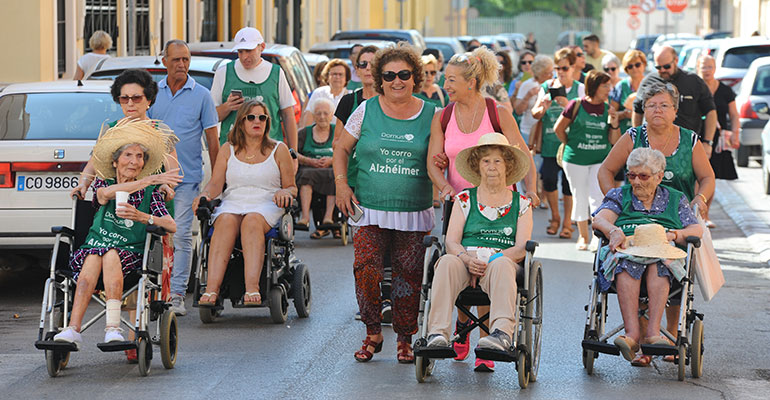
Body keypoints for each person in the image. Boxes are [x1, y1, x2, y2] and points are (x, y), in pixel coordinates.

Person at [427, 46, 539, 372]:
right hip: (460, 199)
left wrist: (530, 190)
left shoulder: (497, 112)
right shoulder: (443, 116)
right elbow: (434, 162)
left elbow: (521, 152)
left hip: (500, 197)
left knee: (494, 262)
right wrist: (444, 185)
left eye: (451, 80)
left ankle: (490, 338)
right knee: (457, 260)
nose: (445, 85)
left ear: (472, 82)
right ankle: (459, 332)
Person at [333, 43, 436, 364]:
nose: (397, 81)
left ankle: (405, 339)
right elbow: (341, 148)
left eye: (404, 74)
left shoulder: (432, 113)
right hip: (368, 207)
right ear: (380, 78)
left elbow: (444, 153)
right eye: (389, 75)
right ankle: (372, 332)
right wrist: (341, 186)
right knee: (366, 271)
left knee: (409, 274)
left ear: (415, 77)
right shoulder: (366, 109)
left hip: (412, 209)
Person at [598, 83, 715, 358]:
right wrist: (621, 203)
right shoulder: (632, 136)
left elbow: (707, 178)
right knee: (631, 265)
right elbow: (606, 170)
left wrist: (699, 200)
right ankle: (640, 343)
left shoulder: (689, 140)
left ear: (675, 110)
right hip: (633, 227)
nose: (657, 110)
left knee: (666, 267)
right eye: (651, 105)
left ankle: (669, 335)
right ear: (644, 110)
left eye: (664, 105)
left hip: (675, 218)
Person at [53, 120, 180, 350]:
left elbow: (171, 226)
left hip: (131, 254)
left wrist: (142, 217)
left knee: (108, 253)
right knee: (96, 255)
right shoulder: (106, 182)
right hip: (94, 248)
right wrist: (147, 180)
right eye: (128, 155)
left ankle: (108, 328)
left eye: (140, 156)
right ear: (115, 161)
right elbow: (104, 195)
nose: (134, 161)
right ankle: (75, 329)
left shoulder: (152, 193)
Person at [424, 133, 533, 361]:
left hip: (501, 260)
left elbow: (522, 247)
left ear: (508, 166)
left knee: (503, 265)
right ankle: (437, 333)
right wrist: (467, 260)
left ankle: (502, 334)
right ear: (477, 165)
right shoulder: (464, 199)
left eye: (497, 161)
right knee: (445, 261)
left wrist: (488, 261)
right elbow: (452, 241)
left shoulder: (522, 204)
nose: (491, 166)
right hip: (466, 258)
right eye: (486, 161)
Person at [592, 147, 702, 364]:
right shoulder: (619, 195)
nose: (636, 182)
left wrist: (674, 235)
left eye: (643, 176)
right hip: (628, 249)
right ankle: (632, 335)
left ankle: (653, 332)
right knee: (626, 263)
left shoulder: (675, 199)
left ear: (659, 176)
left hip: (663, 251)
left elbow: (696, 230)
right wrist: (613, 231)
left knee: (660, 264)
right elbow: (599, 219)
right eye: (631, 175)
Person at [193, 100, 297, 307]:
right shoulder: (227, 149)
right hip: (234, 201)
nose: (257, 121)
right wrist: (204, 196)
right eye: (251, 117)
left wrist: (285, 191)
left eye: (262, 117)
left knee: (251, 221)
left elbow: (292, 187)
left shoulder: (279, 149)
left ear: (267, 122)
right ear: (241, 122)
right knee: (224, 221)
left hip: (266, 202)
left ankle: (252, 288)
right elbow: (216, 184)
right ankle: (211, 288)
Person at [148, 40, 220, 317]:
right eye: (177, 59)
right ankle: (154, 290)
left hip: (187, 179)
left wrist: (216, 184)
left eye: (186, 60)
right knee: (153, 236)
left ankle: (176, 294)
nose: (182, 65)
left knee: (181, 238)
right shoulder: (153, 93)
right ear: (164, 60)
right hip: (154, 180)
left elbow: (212, 141)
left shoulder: (201, 95)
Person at [332, 45, 393, 322]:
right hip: (357, 181)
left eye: (372, 64)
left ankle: (390, 297)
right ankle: (369, 300)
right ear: (355, 70)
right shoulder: (348, 102)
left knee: (390, 241)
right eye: (362, 64)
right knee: (365, 245)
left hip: (387, 179)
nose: (367, 69)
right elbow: (338, 144)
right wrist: (341, 184)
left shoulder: (392, 99)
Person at [554, 70, 620, 251]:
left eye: (609, 85)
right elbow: (558, 128)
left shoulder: (608, 109)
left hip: (600, 159)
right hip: (575, 160)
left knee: (597, 196)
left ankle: (595, 237)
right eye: (604, 85)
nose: (609, 89)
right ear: (594, 86)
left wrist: (614, 122)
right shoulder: (576, 105)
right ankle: (582, 236)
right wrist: (569, 143)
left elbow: (615, 140)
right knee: (579, 196)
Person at [210, 27, 298, 151]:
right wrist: (228, 107)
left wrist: (293, 153)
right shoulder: (223, 72)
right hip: (234, 151)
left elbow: (288, 115)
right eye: (240, 52)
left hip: (269, 151)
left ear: (261, 47)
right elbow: (212, 117)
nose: (244, 57)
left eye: (249, 51)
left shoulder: (276, 73)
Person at [531, 48, 584, 239]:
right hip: (550, 144)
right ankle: (555, 217)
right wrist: (543, 106)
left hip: (571, 144)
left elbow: (585, 116)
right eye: (557, 68)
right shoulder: (547, 86)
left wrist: (565, 104)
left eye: (564, 68)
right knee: (549, 179)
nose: (560, 72)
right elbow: (534, 112)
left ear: (572, 67)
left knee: (569, 185)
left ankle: (567, 223)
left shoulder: (579, 88)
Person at [632, 46, 717, 158]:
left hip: (687, 147)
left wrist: (708, 142)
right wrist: (638, 140)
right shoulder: (648, 82)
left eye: (667, 66)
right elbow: (637, 110)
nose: (662, 70)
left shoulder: (693, 81)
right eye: (658, 67)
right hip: (653, 148)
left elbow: (710, 112)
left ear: (676, 60)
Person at [696, 54, 739, 226]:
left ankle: (705, 214)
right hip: (697, 135)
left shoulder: (725, 90)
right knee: (694, 176)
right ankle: (696, 212)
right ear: (698, 68)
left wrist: (735, 132)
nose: (707, 70)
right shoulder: (695, 88)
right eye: (703, 66)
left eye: (710, 66)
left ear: (715, 68)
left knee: (711, 175)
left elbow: (734, 114)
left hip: (717, 138)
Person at [295, 98, 336, 239]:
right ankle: (305, 217)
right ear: (313, 115)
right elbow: (293, 153)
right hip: (309, 170)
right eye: (318, 113)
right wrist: (309, 161)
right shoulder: (304, 133)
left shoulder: (338, 132)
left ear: (331, 115)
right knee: (306, 174)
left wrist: (332, 160)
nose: (322, 117)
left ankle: (328, 217)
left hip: (331, 170)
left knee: (335, 174)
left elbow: (347, 151)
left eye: (326, 113)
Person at [300, 58, 350, 127]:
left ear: (346, 78)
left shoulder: (351, 96)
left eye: (340, 74)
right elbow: (308, 118)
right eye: (334, 74)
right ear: (327, 76)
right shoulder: (318, 93)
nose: (337, 77)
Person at [514, 54, 552, 144]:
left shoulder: (553, 84)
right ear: (540, 73)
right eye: (548, 73)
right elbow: (518, 110)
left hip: (547, 132)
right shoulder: (527, 85)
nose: (551, 75)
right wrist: (528, 96)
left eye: (552, 72)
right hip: (528, 132)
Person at [610, 50, 647, 138]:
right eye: (630, 66)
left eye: (637, 64)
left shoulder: (652, 84)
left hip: (647, 135)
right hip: (625, 135)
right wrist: (624, 114)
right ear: (626, 69)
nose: (634, 68)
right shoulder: (621, 86)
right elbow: (612, 114)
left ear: (644, 65)